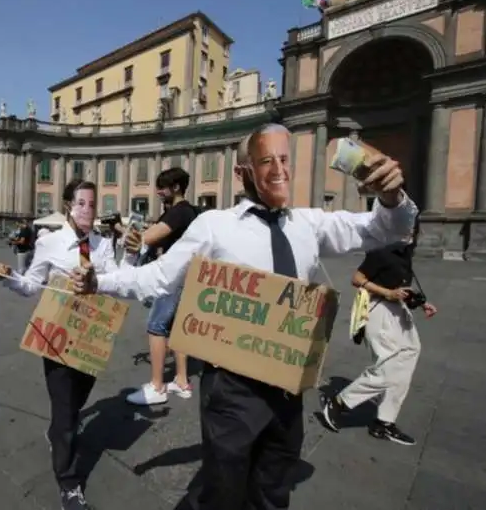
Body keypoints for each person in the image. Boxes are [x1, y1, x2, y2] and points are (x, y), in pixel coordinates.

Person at [71, 123, 418, 510]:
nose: (278, 169)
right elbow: (158, 278)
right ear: (242, 173)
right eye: (266, 160)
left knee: (273, 489)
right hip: (232, 388)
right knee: (224, 489)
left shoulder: (309, 224)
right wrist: (98, 282)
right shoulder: (214, 226)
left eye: (284, 159)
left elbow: (387, 230)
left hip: (289, 387)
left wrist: (390, 197)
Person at [0, 179, 128, 510]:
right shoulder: (50, 242)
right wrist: (9, 276)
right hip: (56, 334)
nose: (87, 210)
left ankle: (58, 434)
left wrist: (129, 259)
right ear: (68, 205)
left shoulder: (103, 245)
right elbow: (30, 285)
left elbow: (117, 283)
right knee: (65, 410)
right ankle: (68, 483)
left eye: (92, 205)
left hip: (91, 337)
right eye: (81, 203)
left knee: (77, 400)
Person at [321, 218, 436, 445]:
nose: (410, 233)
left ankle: (384, 422)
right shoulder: (382, 251)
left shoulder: (405, 253)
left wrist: (421, 303)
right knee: (388, 366)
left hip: (398, 310)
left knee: (410, 354)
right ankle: (339, 403)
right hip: (379, 310)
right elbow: (357, 279)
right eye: (406, 227)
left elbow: (400, 284)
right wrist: (387, 292)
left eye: (413, 228)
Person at [122, 167, 200, 406]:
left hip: (172, 278)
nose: (157, 191)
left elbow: (148, 237)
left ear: (176, 188)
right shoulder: (191, 212)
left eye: (162, 187)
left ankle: (157, 386)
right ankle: (182, 381)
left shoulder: (179, 212)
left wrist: (125, 232)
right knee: (177, 330)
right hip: (186, 277)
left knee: (156, 326)